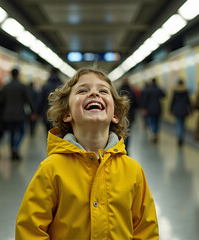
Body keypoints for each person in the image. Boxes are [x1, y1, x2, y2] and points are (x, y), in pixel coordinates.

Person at [15, 68, 159, 239]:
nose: (94, 93)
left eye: (103, 90)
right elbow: (30, 230)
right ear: (67, 114)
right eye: (83, 90)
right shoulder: (51, 170)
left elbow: (146, 230)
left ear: (115, 115)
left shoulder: (133, 171)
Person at [0, 68, 34, 160]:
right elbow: (28, 100)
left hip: (8, 114)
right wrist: (32, 112)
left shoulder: (6, 86)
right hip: (20, 114)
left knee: (11, 133)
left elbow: (1, 100)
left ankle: (12, 151)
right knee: (22, 132)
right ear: (18, 74)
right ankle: (15, 147)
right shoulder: (22, 86)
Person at [37, 67, 62, 133]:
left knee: (48, 134)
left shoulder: (45, 86)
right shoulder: (62, 86)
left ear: (50, 73)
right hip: (59, 115)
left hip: (46, 114)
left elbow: (41, 100)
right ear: (58, 73)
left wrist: (38, 113)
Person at [141, 78, 166, 143]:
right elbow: (164, 95)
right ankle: (156, 133)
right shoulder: (158, 89)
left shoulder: (148, 90)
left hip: (150, 108)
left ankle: (154, 134)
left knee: (152, 121)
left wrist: (144, 108)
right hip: (158, 108)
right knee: (157, 122)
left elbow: (145, 100)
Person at [169, 79, 192, 147]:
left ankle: (179, 138)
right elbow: (188, 102)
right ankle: (182, 137)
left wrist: (171, 110)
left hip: (177, 110)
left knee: (178, 125)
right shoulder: (186, 92)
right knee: (183, 125)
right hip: (184, 110)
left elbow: (172, 102)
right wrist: (191, 110)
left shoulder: (175, 92)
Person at [118, 76, 137, 152]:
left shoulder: (119, 91)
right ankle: (126, 147)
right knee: (128, 131)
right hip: (130, 115)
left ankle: (121, 145)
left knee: (120, 131)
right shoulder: (131, 91)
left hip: (120, 115)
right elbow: (136, 104)